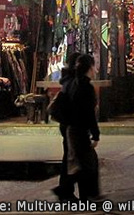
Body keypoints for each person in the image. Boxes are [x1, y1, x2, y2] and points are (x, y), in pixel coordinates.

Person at [63, 54, 101, 201]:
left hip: (72, 129)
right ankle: (87, 196)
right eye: (94, 66)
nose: (96, 70)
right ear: (90, 68)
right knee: (86, 164)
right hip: (78, 130)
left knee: (82, 163)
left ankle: (84, 195)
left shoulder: (74, 83)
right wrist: (95, 134)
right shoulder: (85, 87)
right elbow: (89, 114)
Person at [52, 52, 82, 202]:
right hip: (72, 124)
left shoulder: (68, 79)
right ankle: (65, 189)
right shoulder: (74, 82)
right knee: (75, 158)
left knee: (70, 157)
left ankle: (65, 189)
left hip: (68, 124)